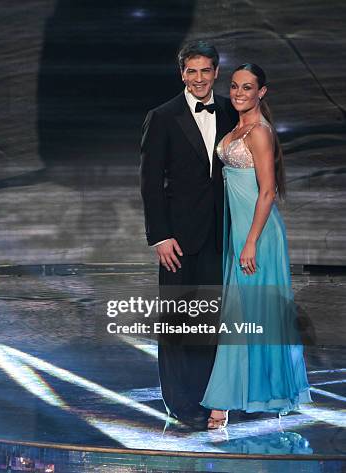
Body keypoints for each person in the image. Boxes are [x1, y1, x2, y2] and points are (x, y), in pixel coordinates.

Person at [200, 63, 312, 429]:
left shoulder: (260, 133)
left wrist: (250, 242)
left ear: (262, 92)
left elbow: (267, 191)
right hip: (240, 233)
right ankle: (253, 394)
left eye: (247, 88)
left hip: (258, 236)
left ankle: (223, 404)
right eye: (234, 86)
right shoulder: (237, 128)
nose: (238, 93)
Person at [140, 40, 238, 428]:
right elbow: (150, 182)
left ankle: (210, 395)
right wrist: (159, 235)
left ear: (216, 72)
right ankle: (180, 402)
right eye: (191, 71)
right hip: (178, 239)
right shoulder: (162, 116)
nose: (198, 78)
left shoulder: (232, 111)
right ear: (182, 74)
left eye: (206, 71)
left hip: (221, 234)